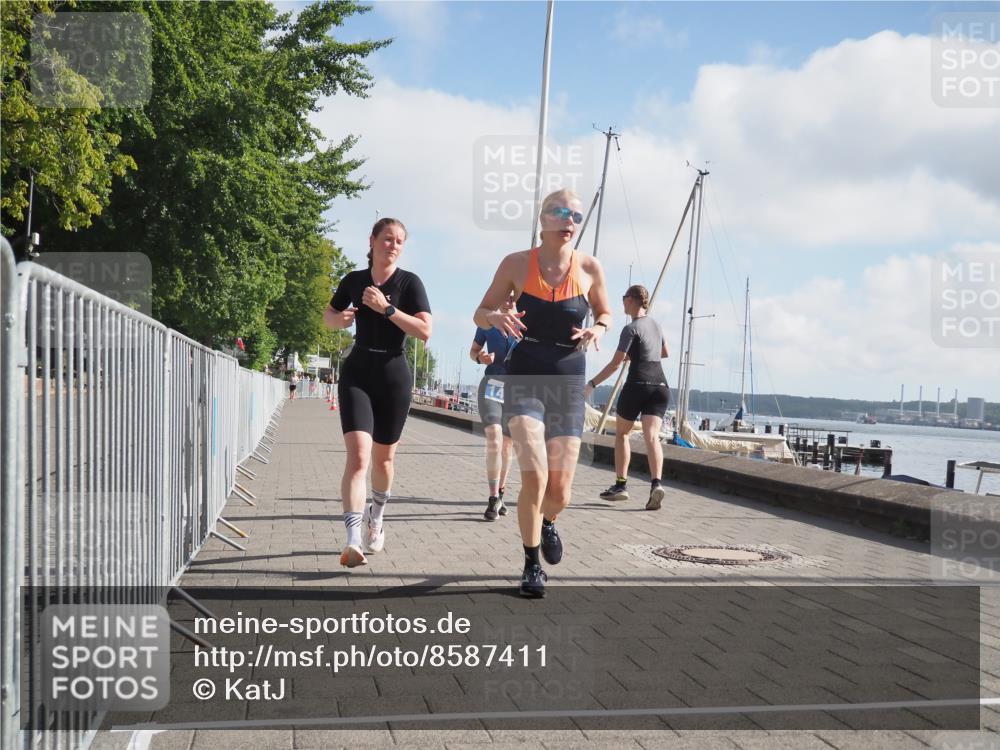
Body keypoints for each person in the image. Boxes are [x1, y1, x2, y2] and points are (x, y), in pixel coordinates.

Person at [474, 188, 611, 598]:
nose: (569, 221)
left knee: (560, 491)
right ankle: (532, 563)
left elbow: (605, 312)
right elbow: (480, 312)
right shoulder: (516, 263)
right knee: (533, 474)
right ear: (543, 218)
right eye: (561, 212)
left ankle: (548, 522)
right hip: (526, 376)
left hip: (568, 380)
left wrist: (598, 329)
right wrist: (495, 317)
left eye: (577, 216)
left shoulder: (589, 267)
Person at [325, 218, 432, 568]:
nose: (393, 245)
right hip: (357, 372)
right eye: (387, 238)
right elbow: (330, 313)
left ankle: (378, 515)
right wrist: (340, 320)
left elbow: (424, 330)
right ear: (372, 241)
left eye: (400, 240)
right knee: (358, 457)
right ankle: (353, 541)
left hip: (394, 376)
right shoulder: (354, 280)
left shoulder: (409, 282)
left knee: (384, 461)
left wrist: (386, 308)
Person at [584, 284, 670, 510]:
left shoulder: (630, 328)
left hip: (638, 383)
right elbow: (665, 353)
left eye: (623, 297)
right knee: (652, 437)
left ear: (631, 300)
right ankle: (656, 484)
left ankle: (621, 486)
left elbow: (615, 364)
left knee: (622, 433)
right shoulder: (656, 325)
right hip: (660, 385)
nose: (622, 301)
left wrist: (592, 383)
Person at [470, 302, 517, 521]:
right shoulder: (488, 323)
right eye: (505, 296)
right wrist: (481, 358)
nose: (509, 300)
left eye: (513, 296)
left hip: (518, 390)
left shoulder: (527, 325)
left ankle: (501, 493)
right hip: (492, 385)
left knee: (507, 446)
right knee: (494, 439)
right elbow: (473, 352)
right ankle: (492, 498)